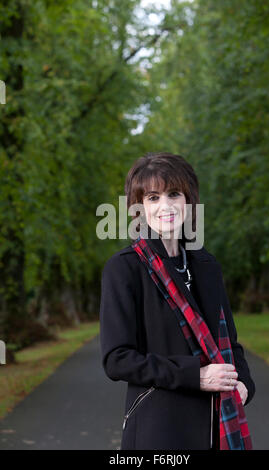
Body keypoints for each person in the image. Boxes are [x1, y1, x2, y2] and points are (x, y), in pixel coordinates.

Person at [99, 152, 255, 450]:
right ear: (139, 208)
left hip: (216, 425)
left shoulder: (206, 265)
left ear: (189, 201)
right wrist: (195, 375)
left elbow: (231, 345)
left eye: (174, 194)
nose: (165, 206)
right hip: (159, 428)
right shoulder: (124, 268)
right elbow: (117, 359)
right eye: (153, 197)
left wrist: (244, 383)